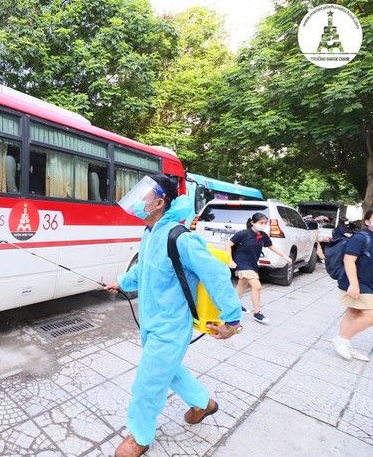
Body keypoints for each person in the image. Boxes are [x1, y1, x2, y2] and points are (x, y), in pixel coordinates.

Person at [104, 174, 242, 457]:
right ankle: (203, 404)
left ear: (158, 203)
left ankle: (140, 436)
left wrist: (232, 320)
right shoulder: (150, 233)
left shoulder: (180, 238)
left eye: (144, 196)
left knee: (147, 382)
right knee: (170, 371)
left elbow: (215, 273)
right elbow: (144, 268)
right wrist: (122, 282)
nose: (139, 201)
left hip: (172, 326)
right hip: (152, 322)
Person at [226, 212, 293, 324]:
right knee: (257, 286)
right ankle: (257, 313)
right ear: (253, 222)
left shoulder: (263, 235)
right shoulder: (244, 233)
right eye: (261, 223)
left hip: (252, 264)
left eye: (265, 223)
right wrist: (230, 260)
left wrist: (284, 256)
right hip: (241, 263)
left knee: (242, 284)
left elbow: (271, 246)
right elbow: (228, 244)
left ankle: (235, 306)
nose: (263, 225)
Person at [333, 207, 373, 361]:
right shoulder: (360, 237)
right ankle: (342, 339)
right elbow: (349, 260)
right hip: (357, 282)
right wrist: (353, 284)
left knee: (353, 312)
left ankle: (345, 343)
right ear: (367, 221)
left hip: (371, 283)